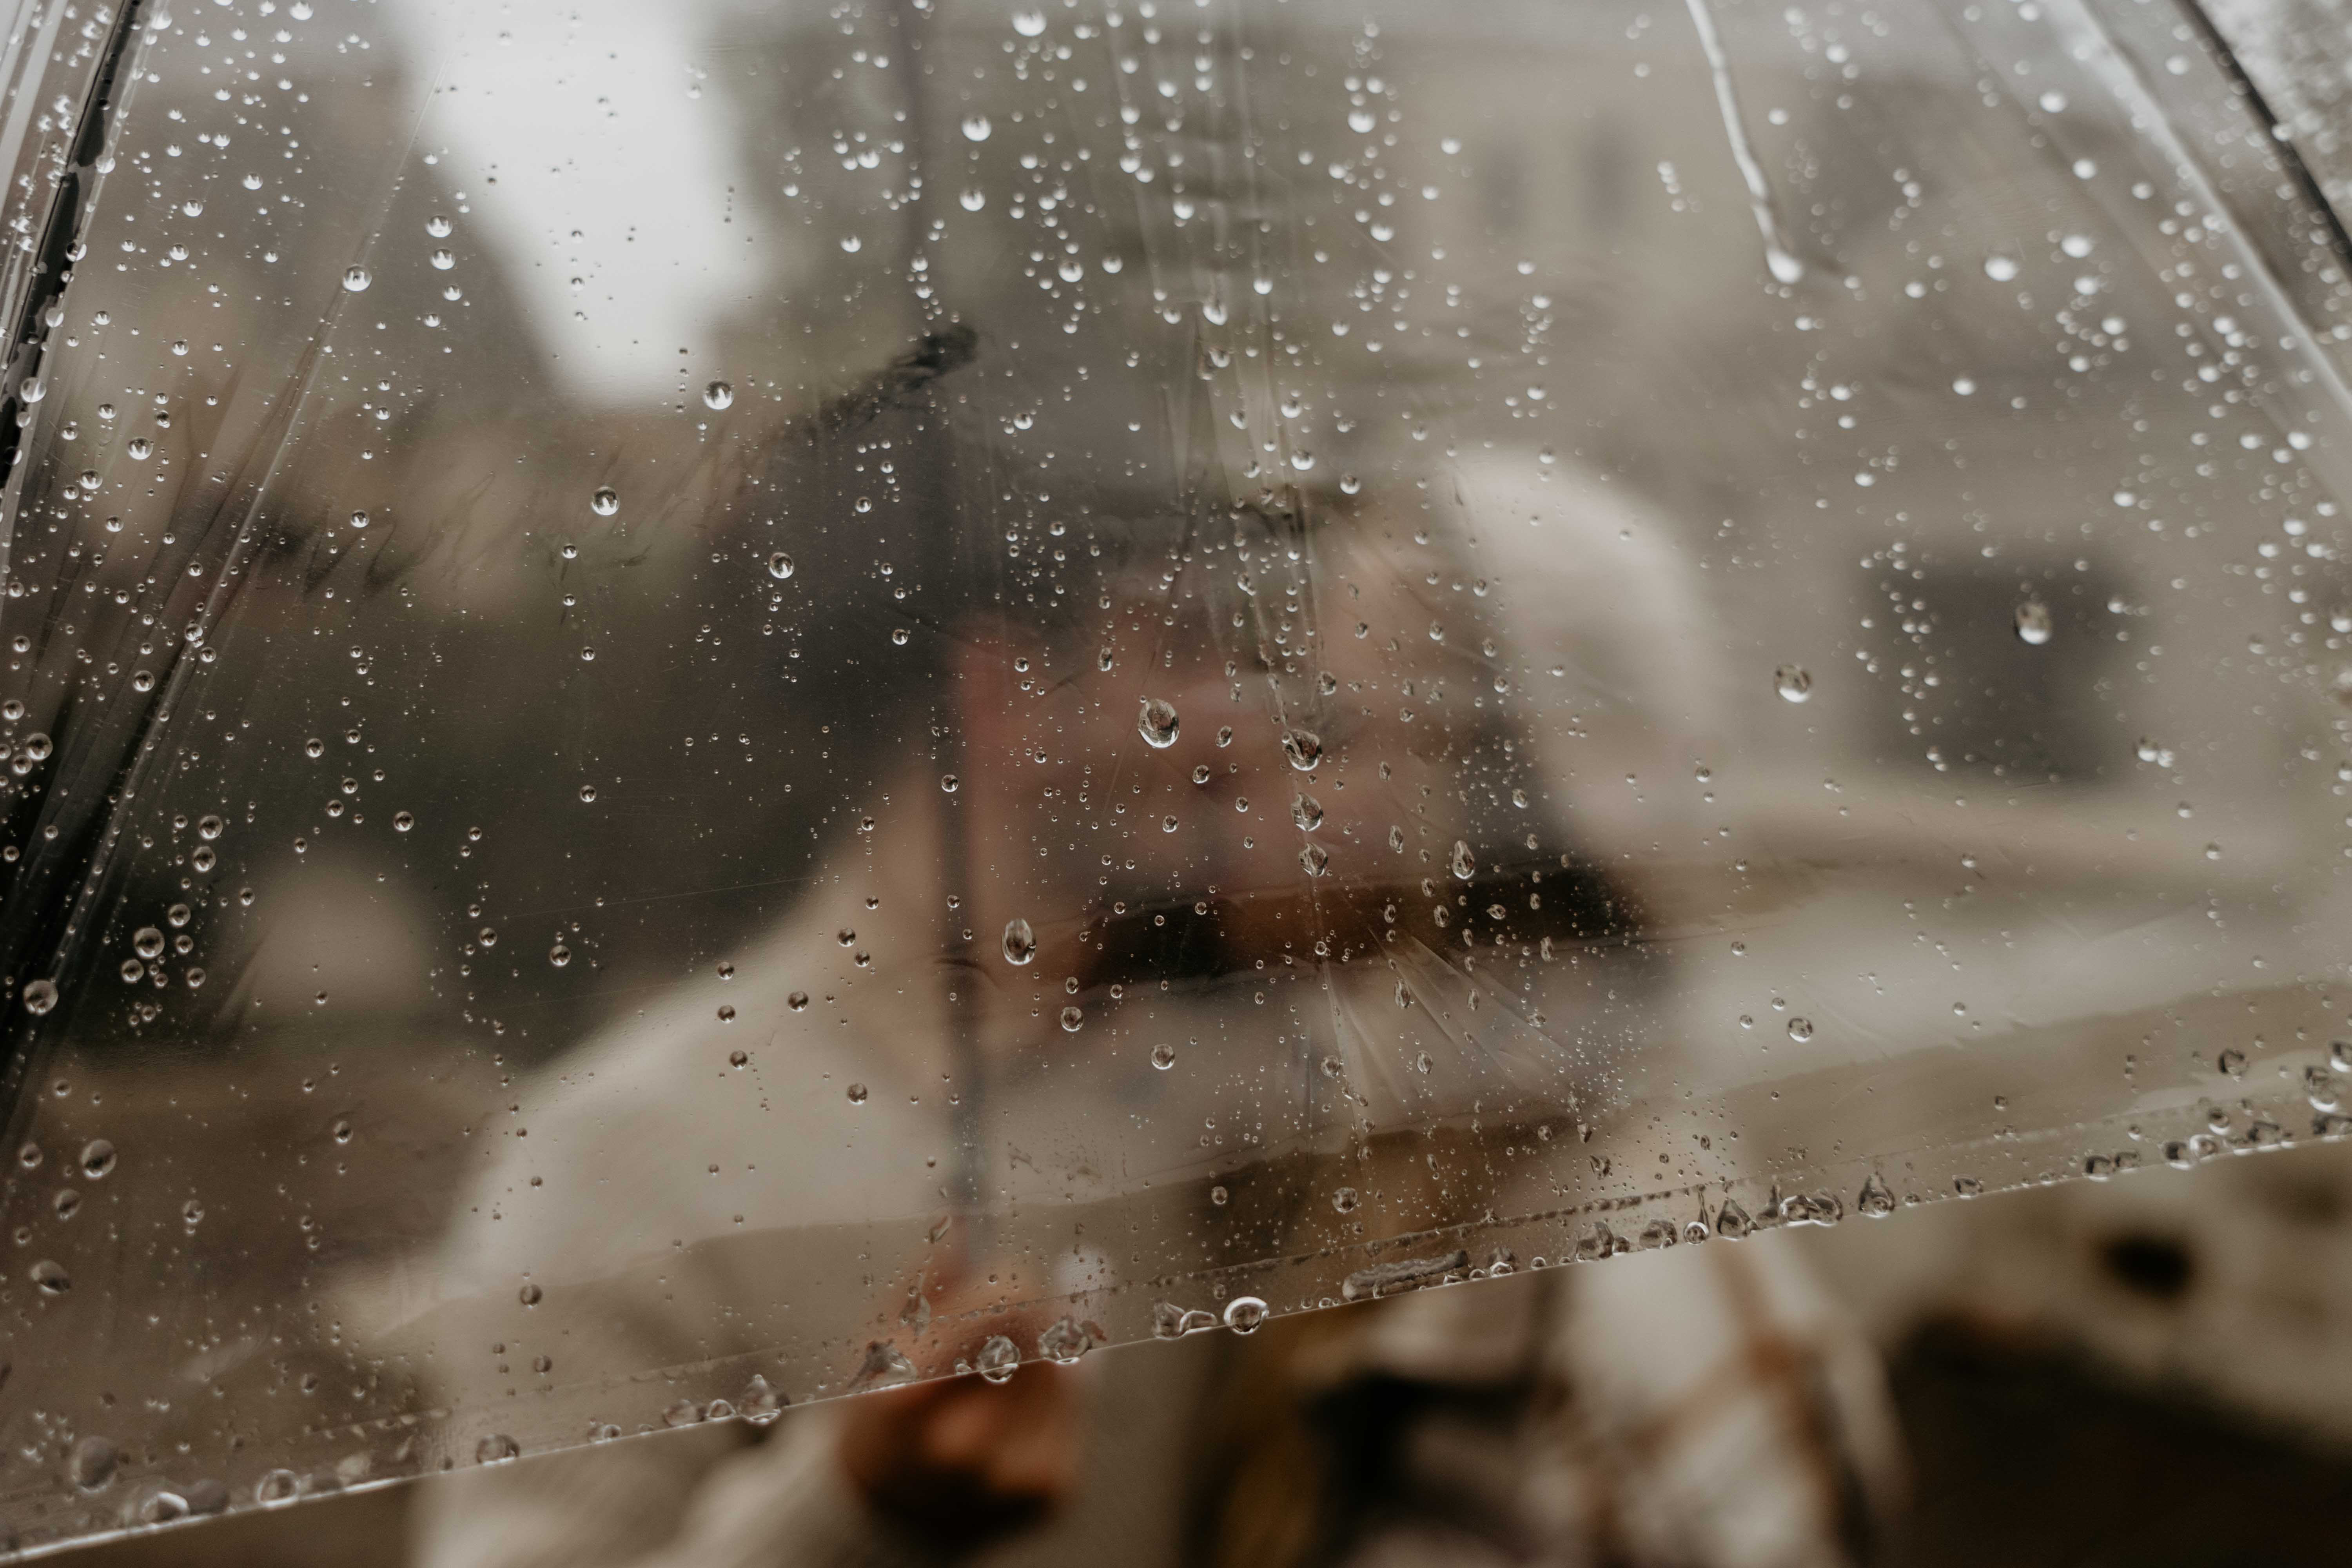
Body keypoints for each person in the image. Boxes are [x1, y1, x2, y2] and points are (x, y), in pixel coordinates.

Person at [397, 379, 1899, 1565]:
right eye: (1182, 645)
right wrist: (849, 1517)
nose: (1240, 713)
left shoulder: (1272, 1075)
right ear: (1004, 694)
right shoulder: (623, 1164)